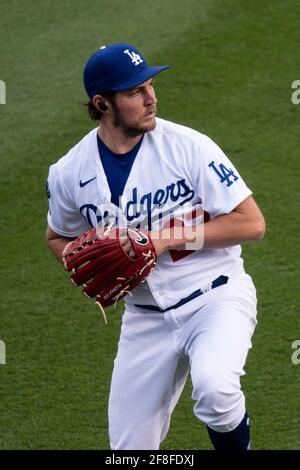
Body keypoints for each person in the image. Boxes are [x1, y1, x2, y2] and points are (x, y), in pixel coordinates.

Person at [45, 43, 265, 450]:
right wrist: (82, 260)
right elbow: (58, 234)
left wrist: (164, 239)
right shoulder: (69, 172)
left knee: (216, 390)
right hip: (145, 318)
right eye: (135, 92)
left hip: (214, 298)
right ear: (102, 104)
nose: (152, 99)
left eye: (150, 85)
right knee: (128, 451)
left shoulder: (188, 147)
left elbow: (251, 223)